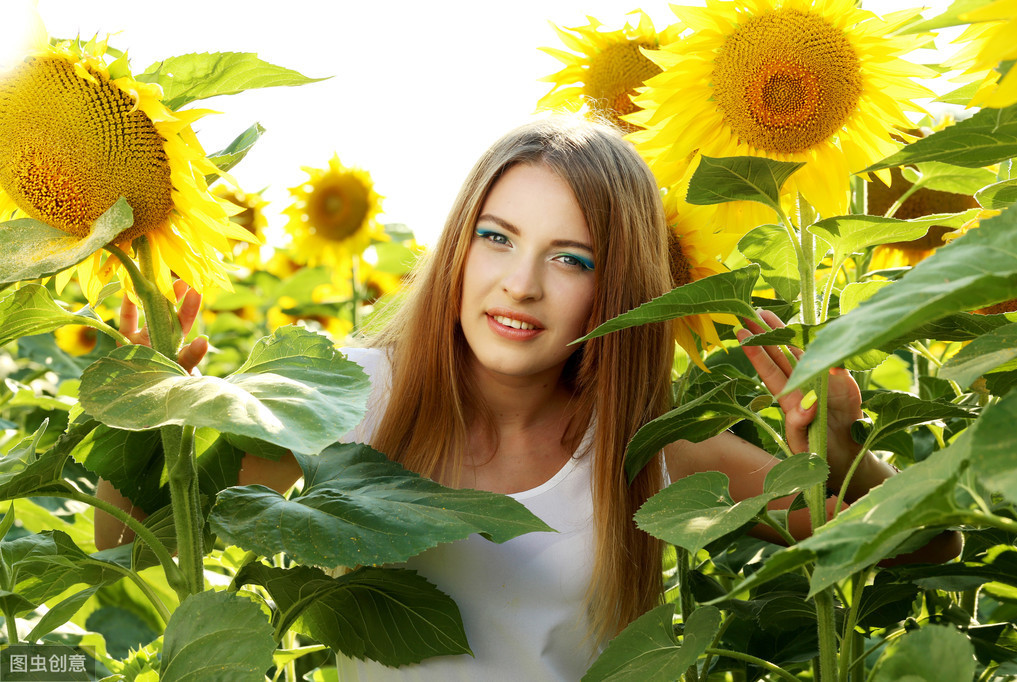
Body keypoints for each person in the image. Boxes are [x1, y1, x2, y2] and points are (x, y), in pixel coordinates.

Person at [96, 116, 961, 680]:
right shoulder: (353, 397)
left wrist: (841, 443)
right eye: (498, 239)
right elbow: (134, 550)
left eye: (570, 258)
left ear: (612, 286)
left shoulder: (645, 445)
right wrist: (148, 414)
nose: (519, 285)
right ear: (459, 248)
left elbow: (925, 545)